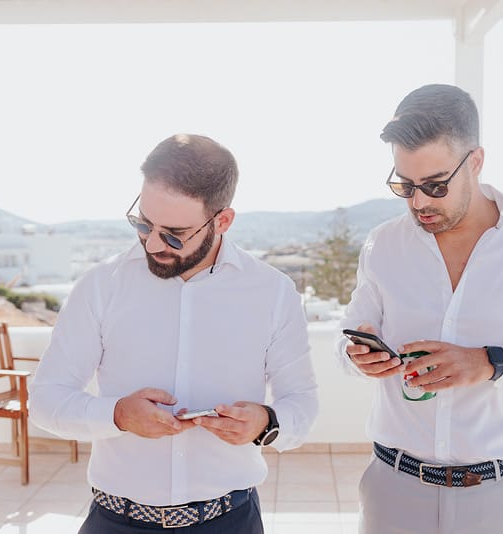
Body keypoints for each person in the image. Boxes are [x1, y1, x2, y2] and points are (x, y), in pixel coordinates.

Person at [336, 84, 503, 534]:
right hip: (393, 491)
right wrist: (357, 356)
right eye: (405, 185)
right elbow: (347, 340)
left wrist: (490, 363)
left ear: (475, 162)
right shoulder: (383, 244)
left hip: (497, 499)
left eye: (435, 185)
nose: (419, 201)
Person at [31, 133, 318, 533]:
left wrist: (265, 423)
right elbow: (45, 401)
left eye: (173, 234)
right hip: (115, 522)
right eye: (143, 224)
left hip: (230, 522)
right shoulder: (99, 286)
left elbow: (301, 405)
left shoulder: (273, 292)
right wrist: (116, 415)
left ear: (222, 221)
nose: (152, 243)